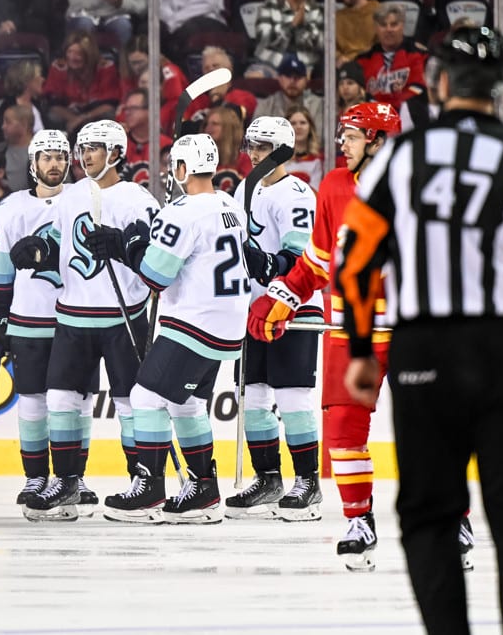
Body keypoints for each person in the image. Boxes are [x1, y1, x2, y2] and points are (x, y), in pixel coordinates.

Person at [337, 26, 503, 633]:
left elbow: (354, 262)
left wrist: (359, 349)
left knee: (429, 513)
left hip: (420, 349)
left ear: (435, 85)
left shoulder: (400, 160)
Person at [247, 102, 400, 569]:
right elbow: (316, 260)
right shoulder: (333, 185)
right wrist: (283, 294)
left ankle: (455, 518)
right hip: (348, 329)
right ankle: (359, 520)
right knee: (341, 430)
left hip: (411, 328)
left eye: (353, 136)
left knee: (435, 430)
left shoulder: (417, 184)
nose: (343, 144)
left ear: (377, 140)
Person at [83, 133, 251, 523]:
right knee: (185, 402)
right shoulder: (228, 204)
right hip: (229, 324)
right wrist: (133, 243)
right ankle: (203, 489)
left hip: (195, 322)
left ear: (181, 169)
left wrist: (127, 244)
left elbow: (155, 276)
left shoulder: (182, 212)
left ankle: (149, 489)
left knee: (144, 396)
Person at [9, 119, 159, 520]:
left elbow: (154, 258)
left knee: (131, 403)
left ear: (116, 153)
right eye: (83, 147)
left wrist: (123, 247)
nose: (84, 155)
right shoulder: (72, 195)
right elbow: (59, 239)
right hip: (73, 317)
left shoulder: (137, 199)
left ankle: (141, 481)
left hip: (122, 316)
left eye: (94, 147)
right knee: (60, 399)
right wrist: (39, 249)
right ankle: (67, 481)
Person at [0, 129, 99, 516]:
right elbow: (0, 272)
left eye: (61, 157)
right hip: (29, 320)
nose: (55, 164)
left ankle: (72, 477)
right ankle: (36, 477)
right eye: (47, 157)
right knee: (32, 400)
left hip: (76, 319)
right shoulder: (9, 209)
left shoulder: (85, 200)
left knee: (78, 402)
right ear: (32, 164)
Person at [226, 116, 325, 521]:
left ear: (283, 150)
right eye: (251, 145)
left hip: (292, 308)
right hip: (251, 310)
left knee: (291, 395)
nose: (254, 153)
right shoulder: (240, 193)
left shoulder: (297, 193)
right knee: (253, 397)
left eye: (263, 146)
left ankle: (308, 481)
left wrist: (267, 263)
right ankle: (268, 479)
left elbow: (300, 255)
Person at [246, 0, 324, 78]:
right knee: (253, 76)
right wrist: (291, 26)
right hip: (271, 64)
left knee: (311, 77)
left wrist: (303, 26)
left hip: (304, 66)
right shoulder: (268, 6)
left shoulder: (317, 11)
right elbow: (264, 38)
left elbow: (322, 44)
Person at [354, 3, 427, 112]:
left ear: (402, 26)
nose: (389, 29)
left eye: (394, 24)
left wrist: (392, 108)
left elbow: (418, 88)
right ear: (376, 28)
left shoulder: (419, 55)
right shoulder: (363, 60)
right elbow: (359, 93)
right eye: (383, 25)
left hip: (408, 116)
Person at [335, 0, 378, 67]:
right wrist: (339, 57)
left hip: (371, 65)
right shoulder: (338, 16)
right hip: (344, 68)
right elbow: (331, 47)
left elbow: (382, 46)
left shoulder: (377, 11)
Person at [285, 106, 323, 188]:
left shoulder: (318, 160)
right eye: (293, 123)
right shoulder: (278, 159)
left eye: (303, 123)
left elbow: (315, 194)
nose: (298, 127)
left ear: (310, 127)